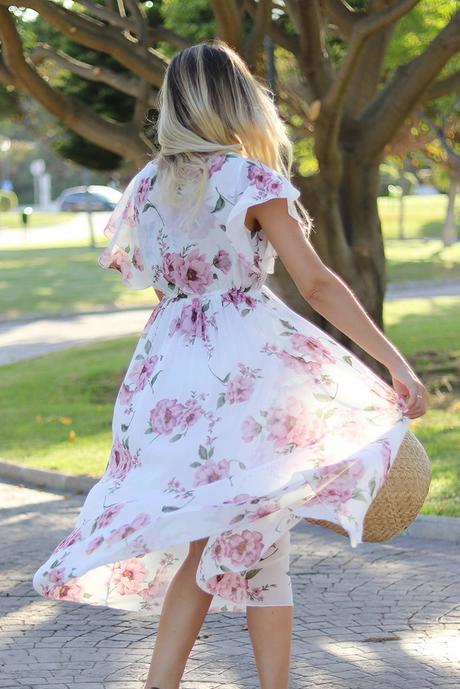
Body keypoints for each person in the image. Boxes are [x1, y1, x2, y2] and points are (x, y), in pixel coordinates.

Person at [32, 40, 428, 689]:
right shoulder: (249, 180)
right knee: (232, 535)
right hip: (241, 375)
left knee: (239, 538)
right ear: (236, 99)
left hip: (165, 379)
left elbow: (165, 291)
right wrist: (394, 364)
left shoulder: (145, 186)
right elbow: (319, 284)